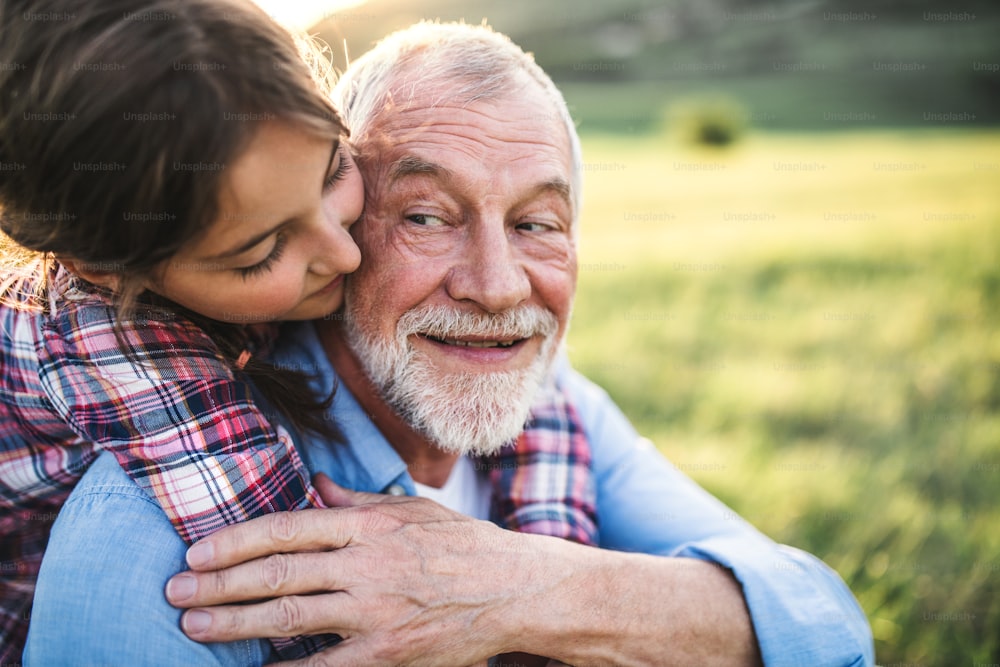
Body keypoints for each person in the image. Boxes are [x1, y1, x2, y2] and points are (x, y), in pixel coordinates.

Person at [25, 21, 875, 666]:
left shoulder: (559, 408)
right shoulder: (151, 543)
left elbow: (827, 624)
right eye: (428, 216)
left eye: (538, 223)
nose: (499, 286)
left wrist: (519, 585)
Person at [0, 0, 365, 660]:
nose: (347, 253)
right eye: (260, 252)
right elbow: (316, 598)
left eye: (335, 169)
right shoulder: (113, 346)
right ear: (106, 269)